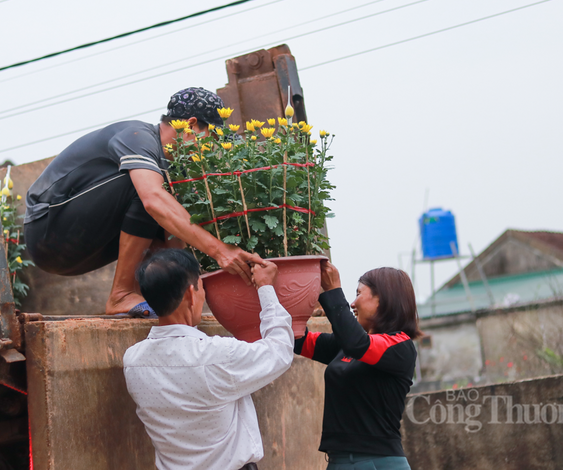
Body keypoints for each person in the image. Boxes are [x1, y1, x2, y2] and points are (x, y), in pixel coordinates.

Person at [24, 87, 263, 317]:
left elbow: (173, 236)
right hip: (47, 231)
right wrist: (220, 251)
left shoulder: (171, 166)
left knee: (170, 201)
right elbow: (152, 200)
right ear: (190, 125)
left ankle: (146, 296)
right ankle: (122, 294)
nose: (213, 147)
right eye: (212, 138)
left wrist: (185, 292)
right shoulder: (137, 137)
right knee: (152, 191)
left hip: (84, 245)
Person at [123, 249, 293, 470]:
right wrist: (266, 288)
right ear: (191, 295)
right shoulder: (216, 355)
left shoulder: (133, 361)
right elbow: (279, 351)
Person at [294, 261, 421, 470]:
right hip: (337, 462)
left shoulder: (399, 345)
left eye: (359, 293)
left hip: (376, 463)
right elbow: (299, 340)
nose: (353, 303)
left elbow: (358, 344)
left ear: (383, 299)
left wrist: (333, 290)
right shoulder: (346, 345)